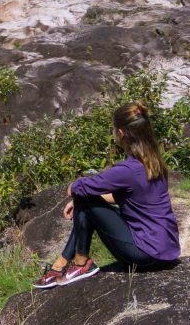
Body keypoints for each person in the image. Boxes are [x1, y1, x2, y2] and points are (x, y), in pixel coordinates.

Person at [33, 102, 181, 288]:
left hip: (145, 254)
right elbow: (129, 198)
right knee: (85, 200)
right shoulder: (154, 163)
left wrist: (78, 196)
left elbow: (77, 188)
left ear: (120, 134)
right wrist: (85, 204)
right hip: (167, 250)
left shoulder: (126, 170)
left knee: (83, 196)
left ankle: (76, 264)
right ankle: (65, 263)